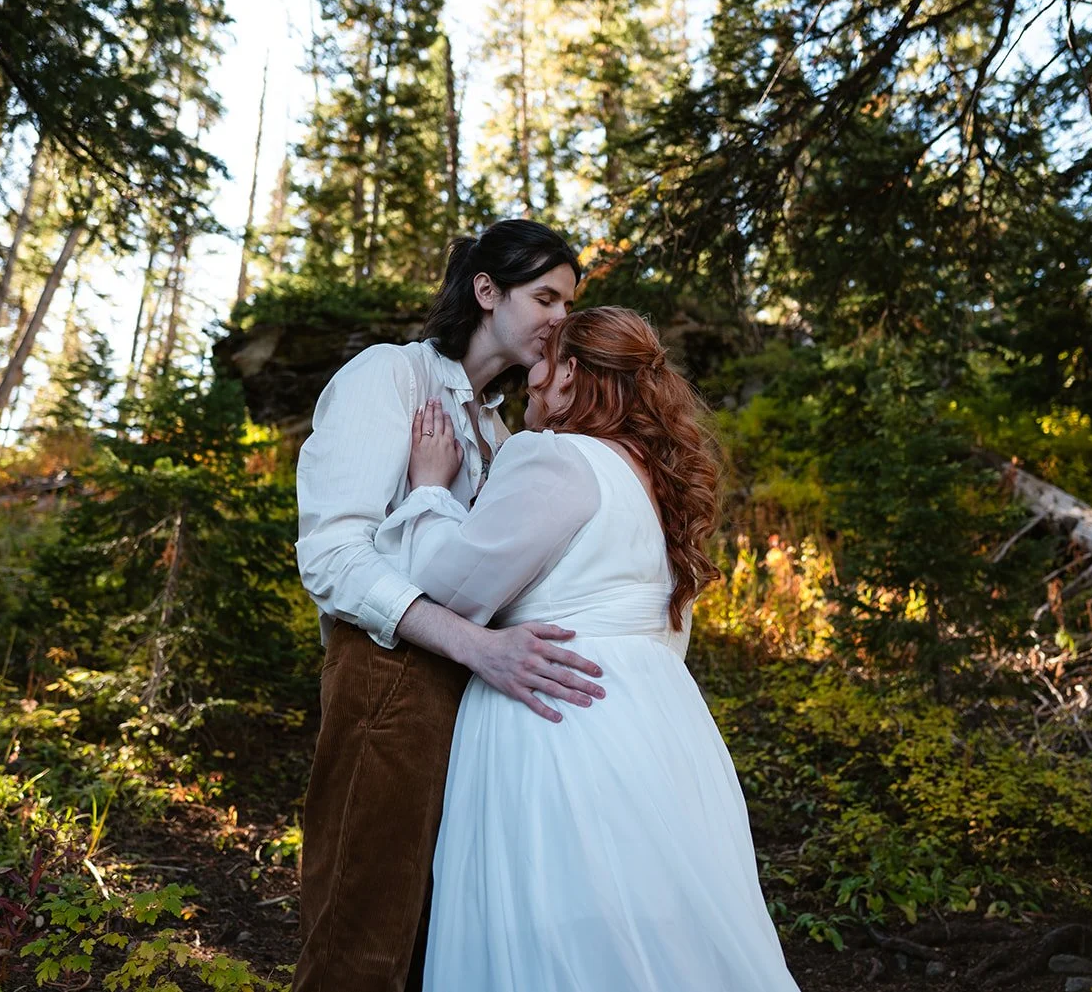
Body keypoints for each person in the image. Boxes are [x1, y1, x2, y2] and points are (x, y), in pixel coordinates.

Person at [374, 306, 803, 992]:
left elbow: (449, 585)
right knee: (657, 932)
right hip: (664, 731)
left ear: (572, 374)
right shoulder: (662, 486)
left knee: (552, 928)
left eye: (545, 361)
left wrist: (429, 487)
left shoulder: (555, 456)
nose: (530, 380)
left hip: (555, 721)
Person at [292, 220, 610, 992]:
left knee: (439, 935)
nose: (561, 318)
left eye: (569, 301)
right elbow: (332, 555)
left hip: (472, 700)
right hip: (387, 676)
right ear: (486, 290)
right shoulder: (390, 378)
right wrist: (476, 644)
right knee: (361, 931)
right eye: (546, 296)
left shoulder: (499, 430)